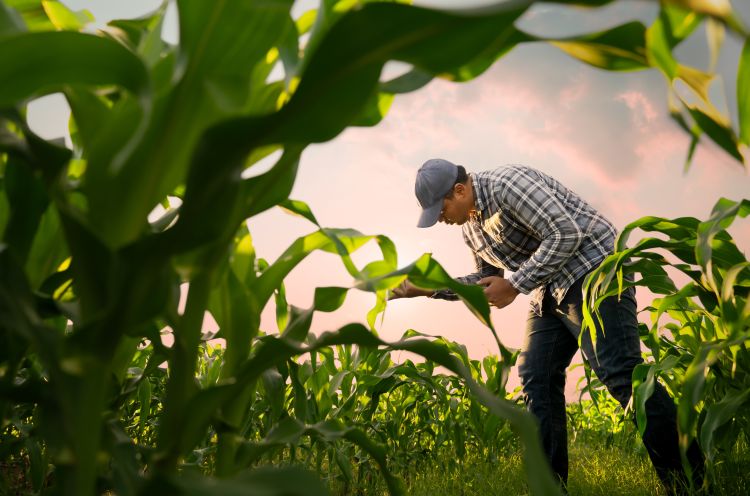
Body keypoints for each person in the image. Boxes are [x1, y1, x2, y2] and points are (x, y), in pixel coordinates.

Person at [389, 158, 704, 494]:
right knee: (535, 375)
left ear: (460, 189)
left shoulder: (507, 185)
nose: (440, 218)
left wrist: (515, 285)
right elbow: (486, 280)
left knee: (621, 373)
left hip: (595, 269)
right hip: (550, 287)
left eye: (441, 209)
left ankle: (690, 481)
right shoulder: (471, 228)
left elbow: (566, 232)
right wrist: (426, 288)